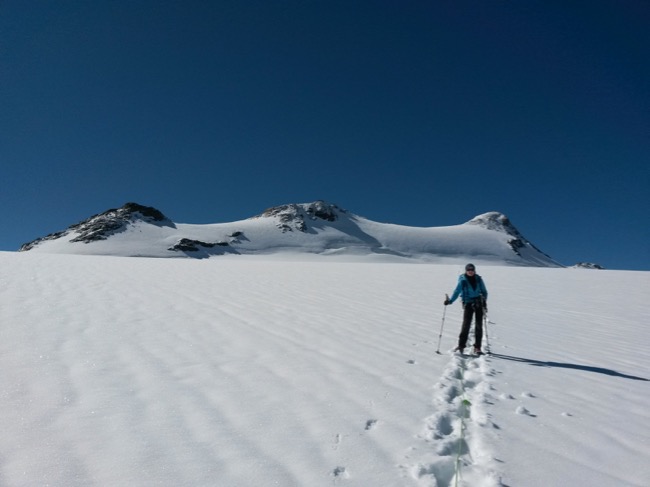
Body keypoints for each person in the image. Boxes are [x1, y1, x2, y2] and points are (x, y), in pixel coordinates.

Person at [444, 263, 488, 354]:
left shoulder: (478, 279)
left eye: (472, 270)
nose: (470, 272)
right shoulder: (463, 280)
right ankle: (461, 345)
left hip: (478, 303)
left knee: (479, 325)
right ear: (466, 271)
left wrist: (484, 301)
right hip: (468, 303)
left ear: (474, 270)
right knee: (466, 325)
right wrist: (450, 301)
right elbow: (457, 291)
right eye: (468, 270)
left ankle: (477, 347)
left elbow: (484, 291)